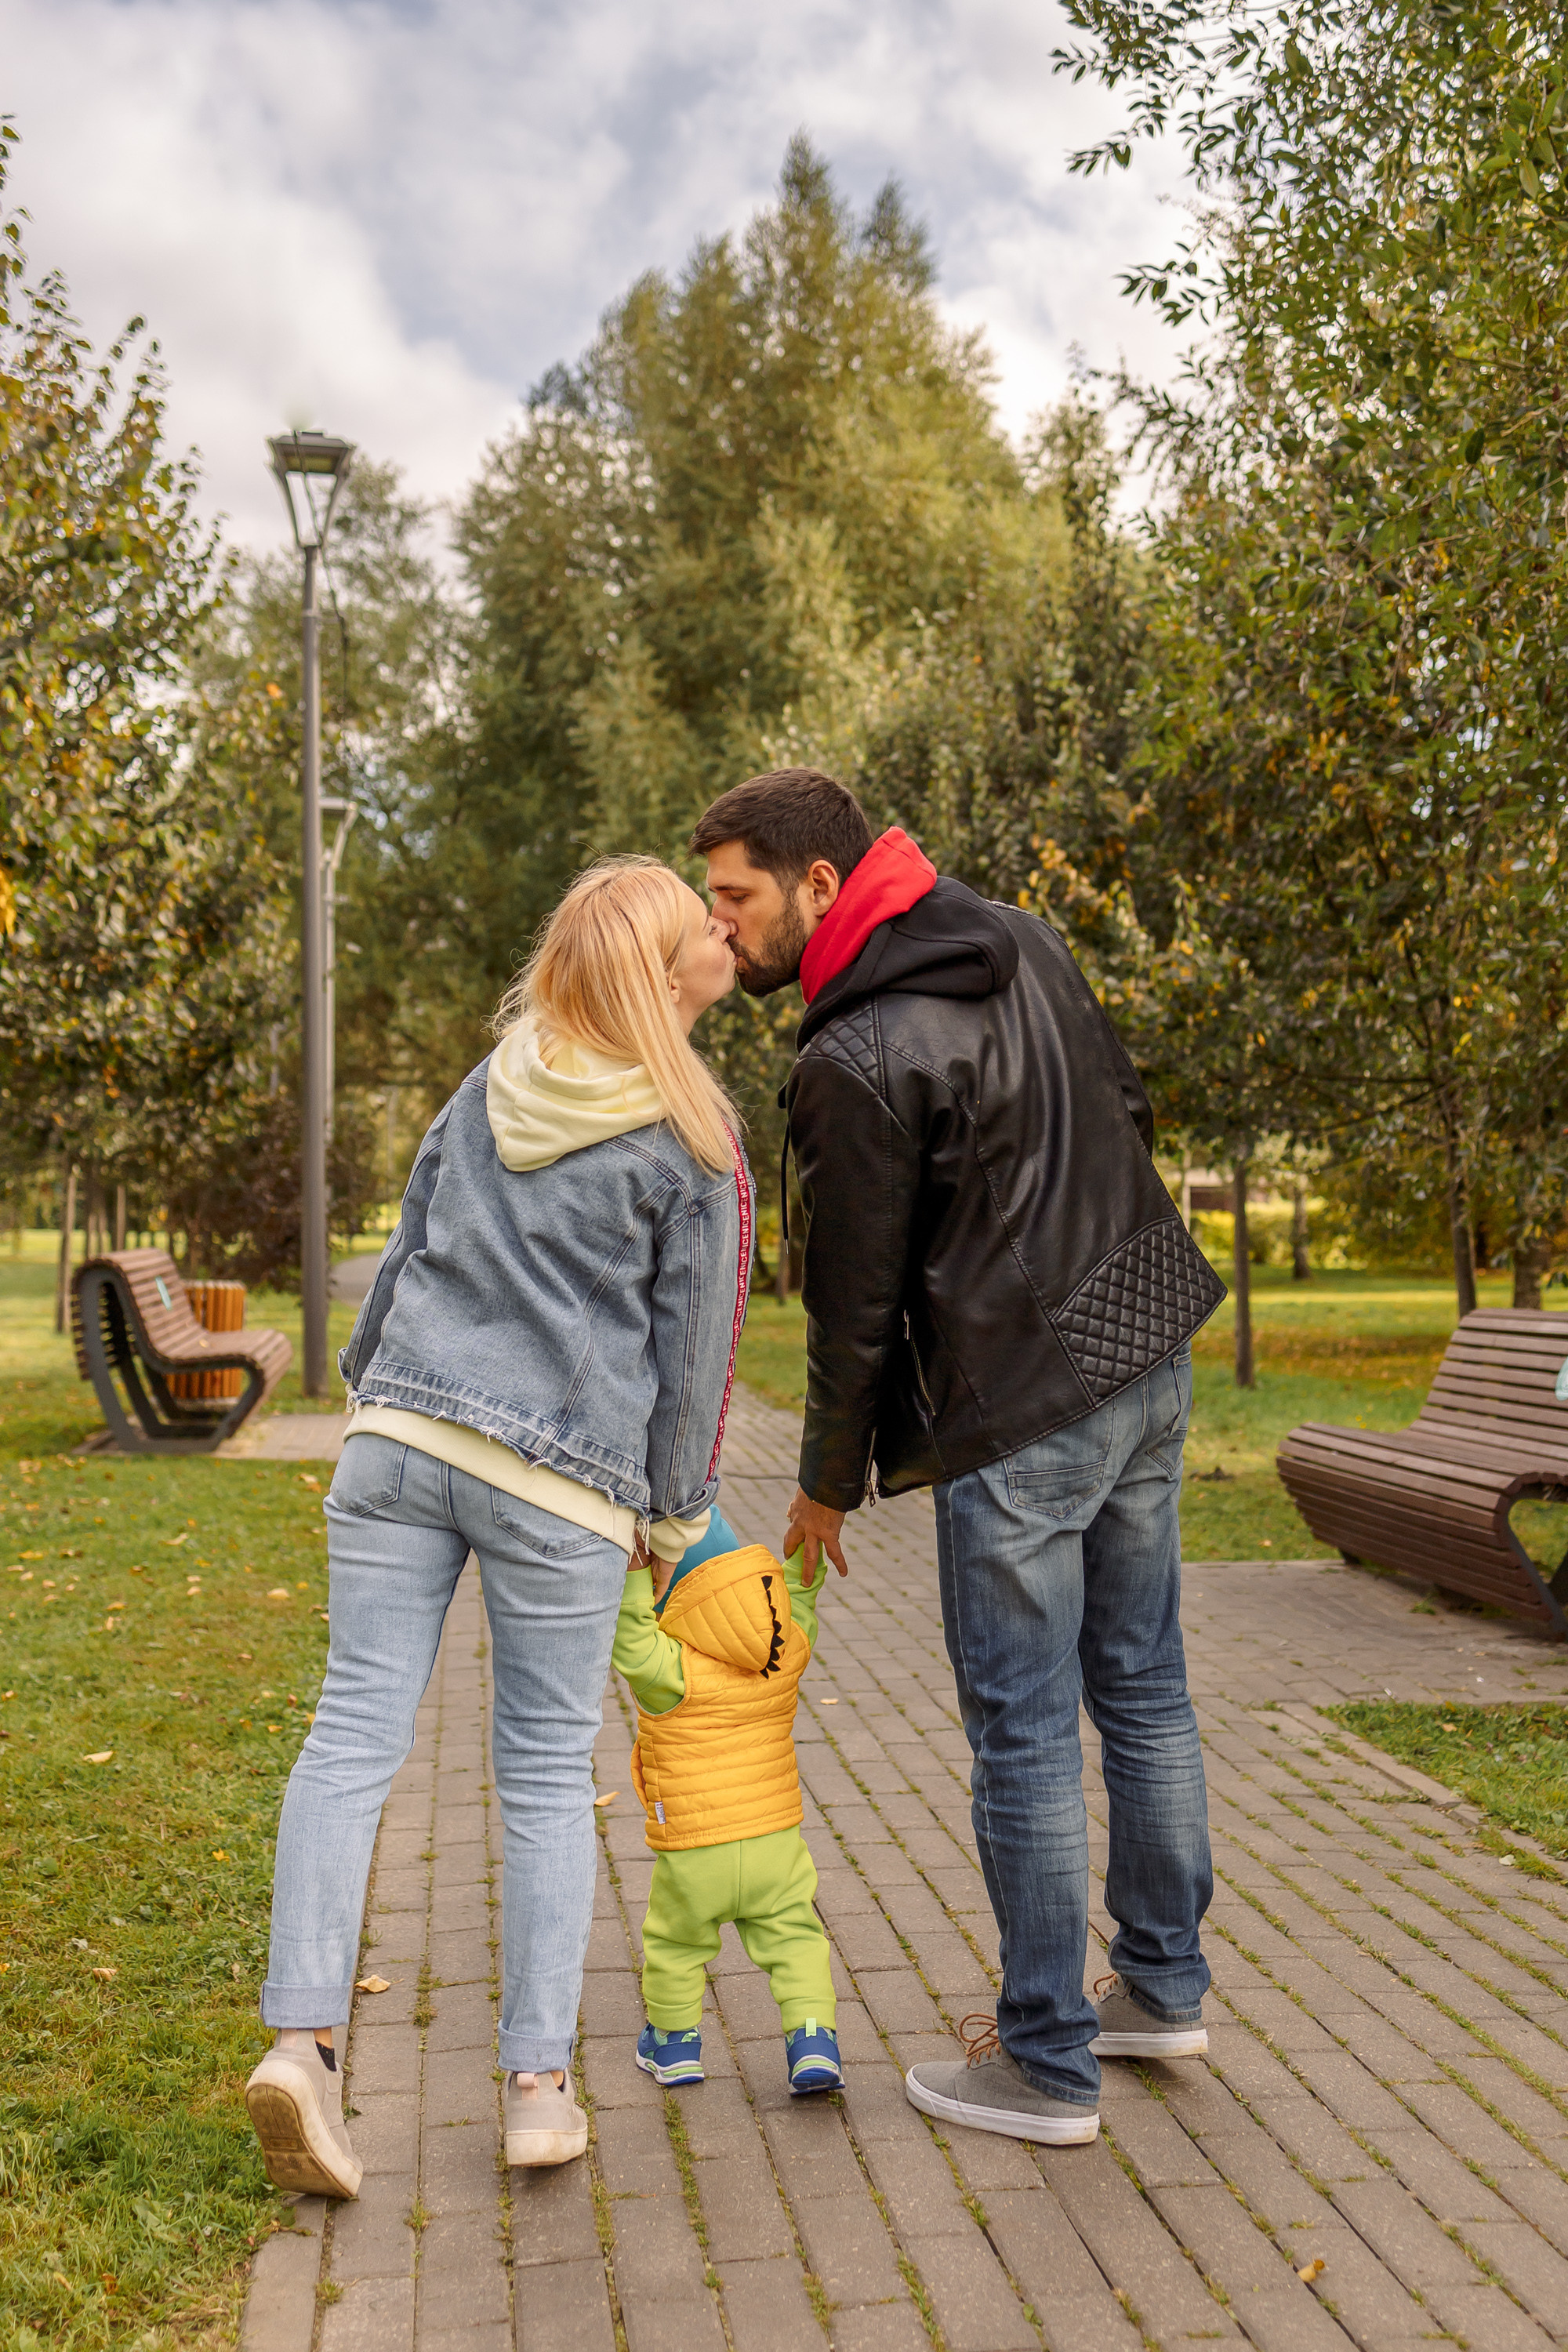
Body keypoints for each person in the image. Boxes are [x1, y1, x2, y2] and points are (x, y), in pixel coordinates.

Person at [690, 769, 1225, 2148]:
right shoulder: (1023, 938)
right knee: (1147, 1690)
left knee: (1026, 1733)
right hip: (1147, 1356)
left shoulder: (848, 1059)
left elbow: (851, 1305)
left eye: (734, 894)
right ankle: (1161, 1990)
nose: (717, 924)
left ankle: (1047, 2063)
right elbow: (1129, 1105)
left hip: (1025, 1413)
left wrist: (820, 1485)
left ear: (820, 885)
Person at [245, 858, 749, 2198]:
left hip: (400, 1439)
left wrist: (371, 1390)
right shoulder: (691, 1136)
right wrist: (676, 1513)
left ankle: (301, 2044)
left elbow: (411, 1245)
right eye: (699, 924)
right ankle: (535, 2088)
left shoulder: (494, 1082)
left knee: (351, 1732)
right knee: (539, 1781)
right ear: (661, 971)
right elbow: (694, 1358)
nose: (720, 930)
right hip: (561, 1485)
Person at [612, 1509, 841, 2096]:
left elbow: (632, 1640)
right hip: (774, 1842)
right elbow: (798, 1597)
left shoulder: (671, 1672)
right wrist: (803, 1552)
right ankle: (813, 2040)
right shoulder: (783, 1650)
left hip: (695, 1853)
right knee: (796, 1937)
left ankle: (675, 2045)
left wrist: (638, 1568)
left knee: (675, 1944)